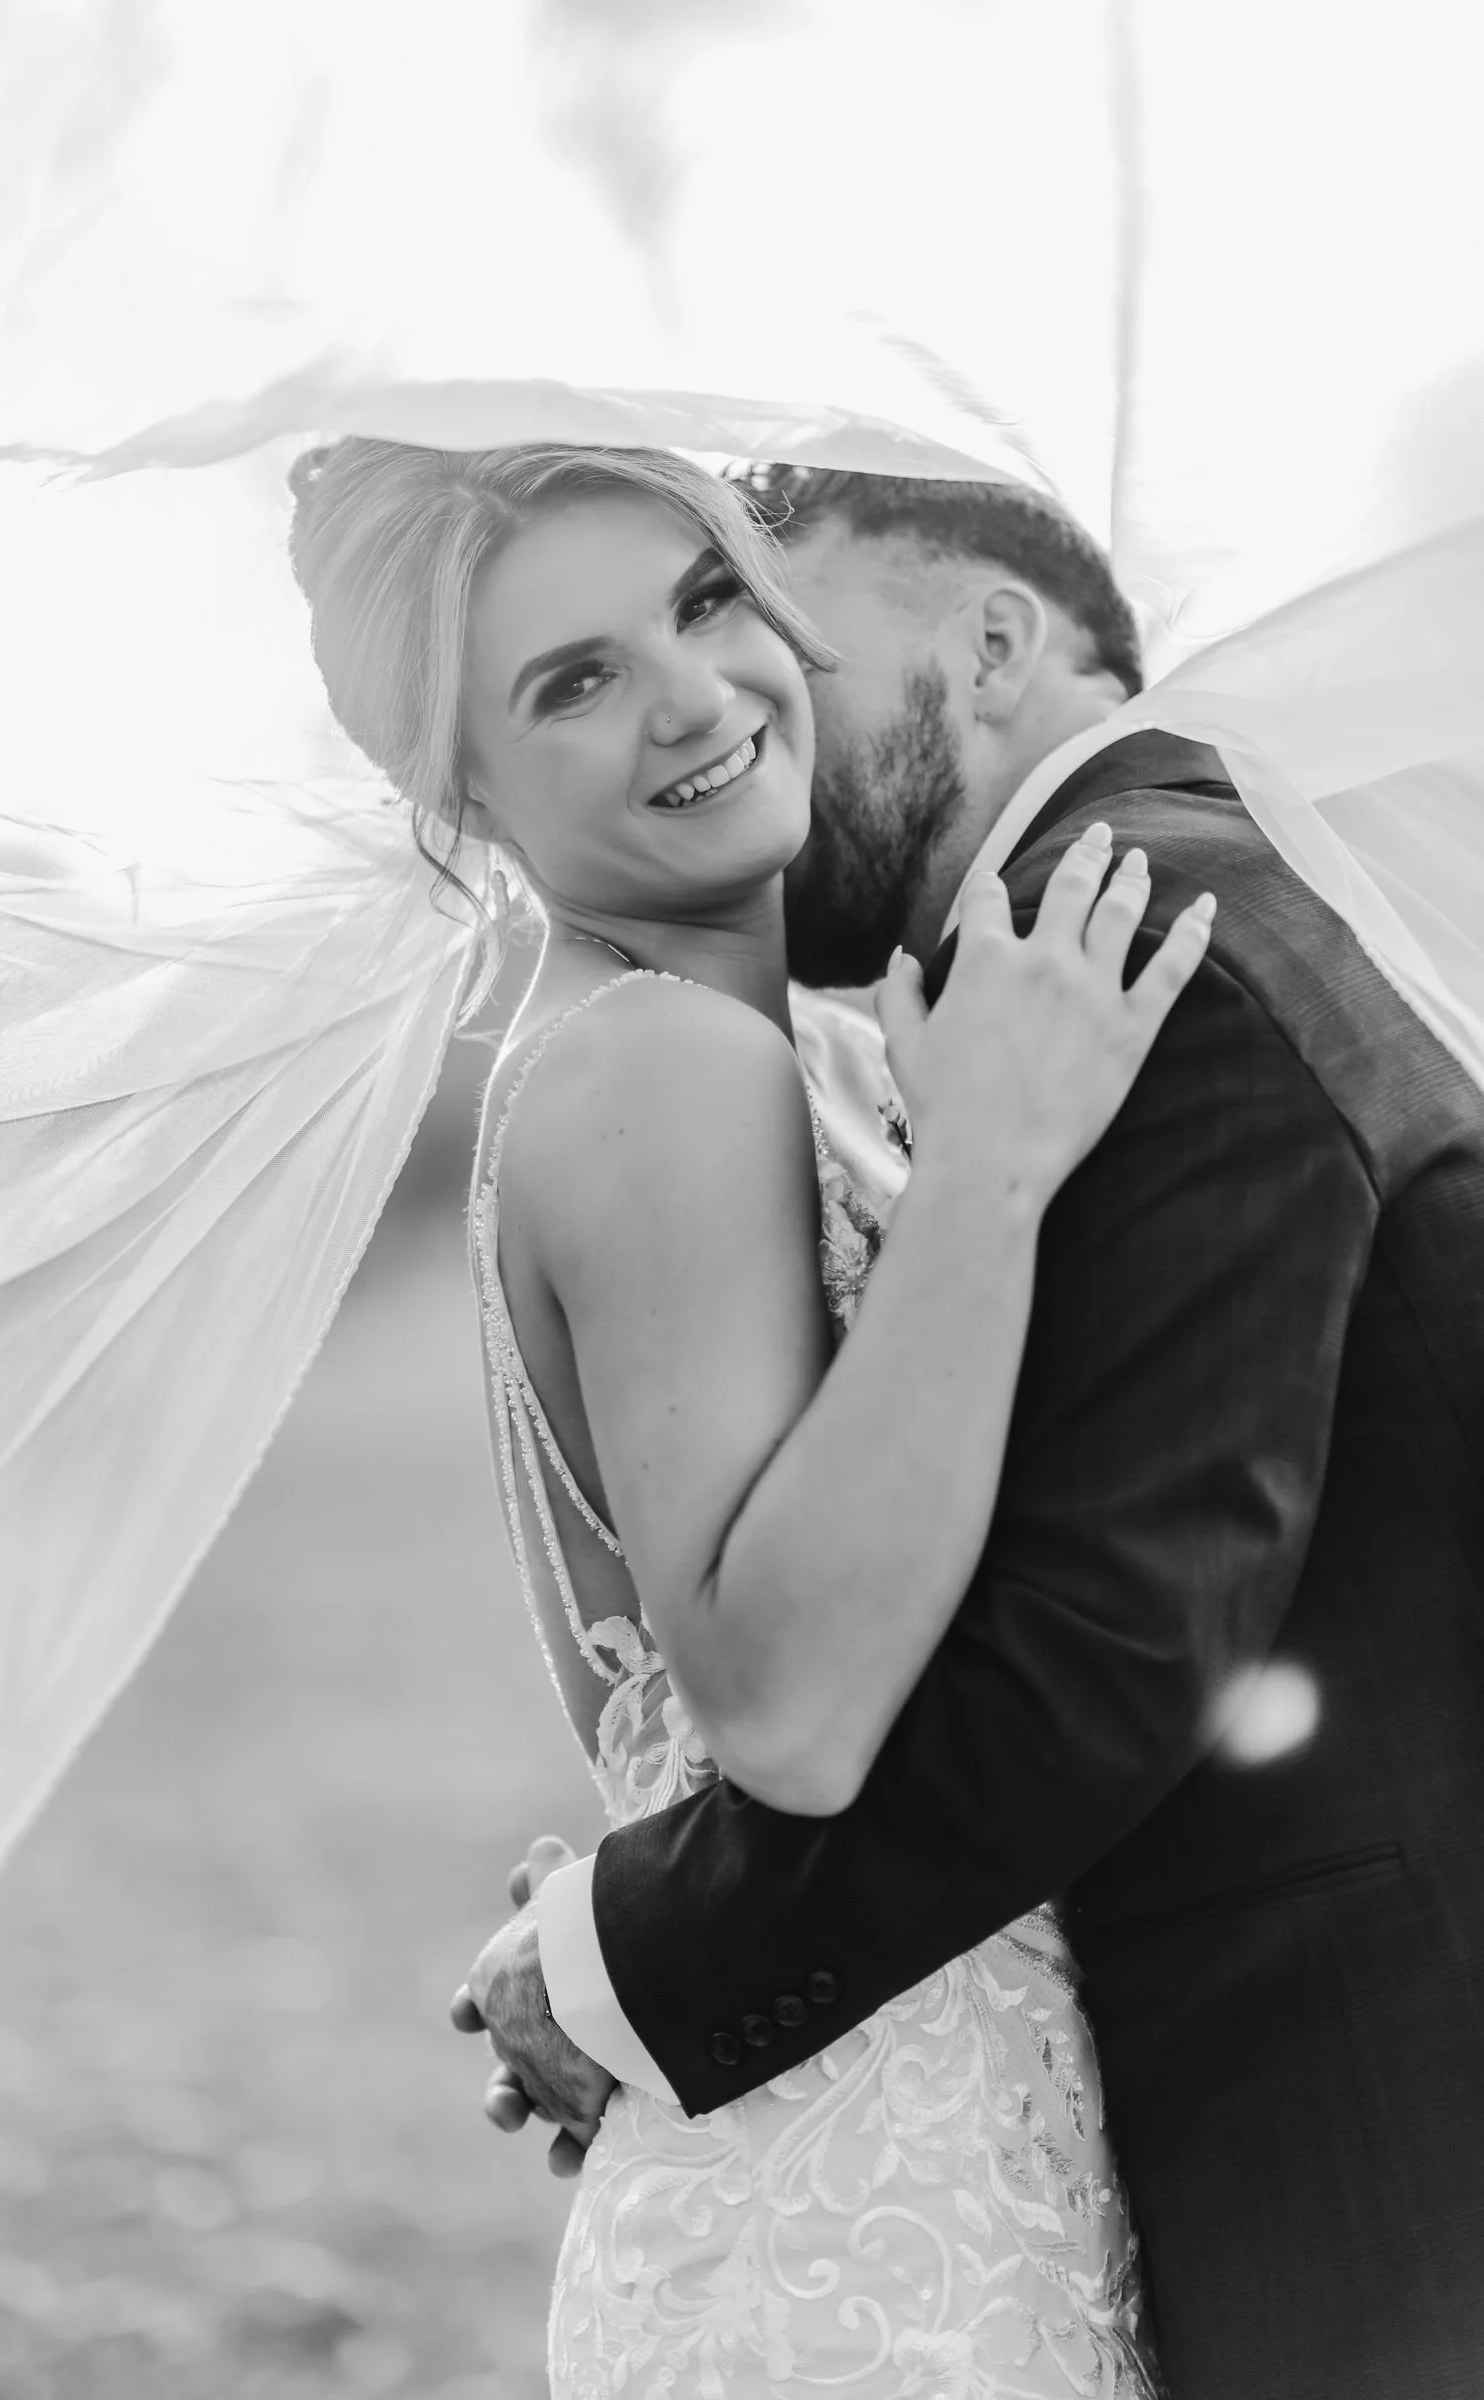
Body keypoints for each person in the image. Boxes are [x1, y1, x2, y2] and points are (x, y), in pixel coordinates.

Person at [463, 466, 1484, 2400]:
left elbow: (1096, 1644)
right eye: (580, 678)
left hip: (1335, 2108)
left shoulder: (1141, 935)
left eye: (751, 612)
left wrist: (623, 1954)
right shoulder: (861, 1035)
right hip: (925, 2170)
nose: (722, 691)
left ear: (990, 646)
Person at [287, 438, 1216, 2393]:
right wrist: (991, 1180)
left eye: (707, 599)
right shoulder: (659, 1070)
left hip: (895, 2133)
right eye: (574, 680)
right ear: (451, 788)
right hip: (875, 2216)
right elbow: (783, 1710)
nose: (697, 695)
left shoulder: (778, 1050)